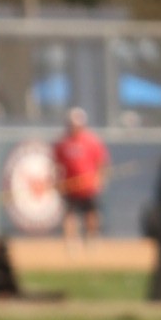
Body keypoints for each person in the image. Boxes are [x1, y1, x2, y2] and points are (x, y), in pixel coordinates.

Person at [51, 106, 106, 249]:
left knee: (91, 213)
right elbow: (56, 164)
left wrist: (99, 179)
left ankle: (92, 238)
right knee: (70, 215)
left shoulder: (91, 141)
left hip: (88, 185)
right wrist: (57, 181)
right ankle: (71, 242)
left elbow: (101, 162)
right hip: (70, 185)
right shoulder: (62, 143)